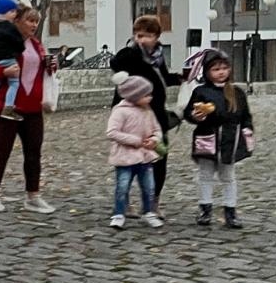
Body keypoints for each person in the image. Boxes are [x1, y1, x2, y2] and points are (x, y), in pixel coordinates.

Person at [0, 5, 57, 215]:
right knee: (1, 151)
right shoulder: (3, 41)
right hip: (5, 106)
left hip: (32, 107)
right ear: (17, 20)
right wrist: (2, 72)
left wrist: (51, 65)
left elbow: (37, 72)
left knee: (34, 153)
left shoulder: (36, 45)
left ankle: (33, 196)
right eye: (30, 20)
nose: (34, 25)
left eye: (36, 21)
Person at [110, 15, 183, 213]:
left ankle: (153, 201)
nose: (142, 39)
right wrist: (133, 48)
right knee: (129, 158)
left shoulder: (158, 57)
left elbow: (162, 78)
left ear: (157, 37)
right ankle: (123, 200)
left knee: (159, 155)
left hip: (155, 114)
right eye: (139, 35)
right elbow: (115, 63)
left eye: (148, 36)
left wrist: (180, 78)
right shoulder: (130, 54)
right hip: (131, 115)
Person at [181, 49, 254, 228]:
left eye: (224, 68)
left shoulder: (237, 92)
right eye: (216, 69)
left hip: (230, 140)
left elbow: (245, 116)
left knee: (228, 176)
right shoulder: (201, 91)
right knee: (206, 175)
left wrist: (247, 131)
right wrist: (196, 116)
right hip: (207, 138)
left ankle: (230, 210)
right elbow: (189, 113)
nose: (221, 72)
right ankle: (205, 209)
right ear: (207, 72)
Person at [106, 73, 165, 230]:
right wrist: (136, 141)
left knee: (149, 187)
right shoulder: (120, 111)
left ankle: (148, 212)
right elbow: (112, 132)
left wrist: (154, 140)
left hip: (145, 157)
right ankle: (119, 213)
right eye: (146, 95)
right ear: (134, 95)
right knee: (123, 187)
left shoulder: (148, 111)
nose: (150, 98)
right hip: (125, 157)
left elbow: (157, 129)